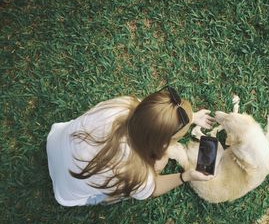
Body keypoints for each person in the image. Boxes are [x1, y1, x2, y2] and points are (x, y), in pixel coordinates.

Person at [46, 86, 215, 206]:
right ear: (162, 142)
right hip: (65, 193)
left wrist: (190, 118)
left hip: (55, 141)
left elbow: (154, 117)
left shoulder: (123, 104)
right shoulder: (138, 174)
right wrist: (185, 176)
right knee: (125, 189)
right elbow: (153, 189)